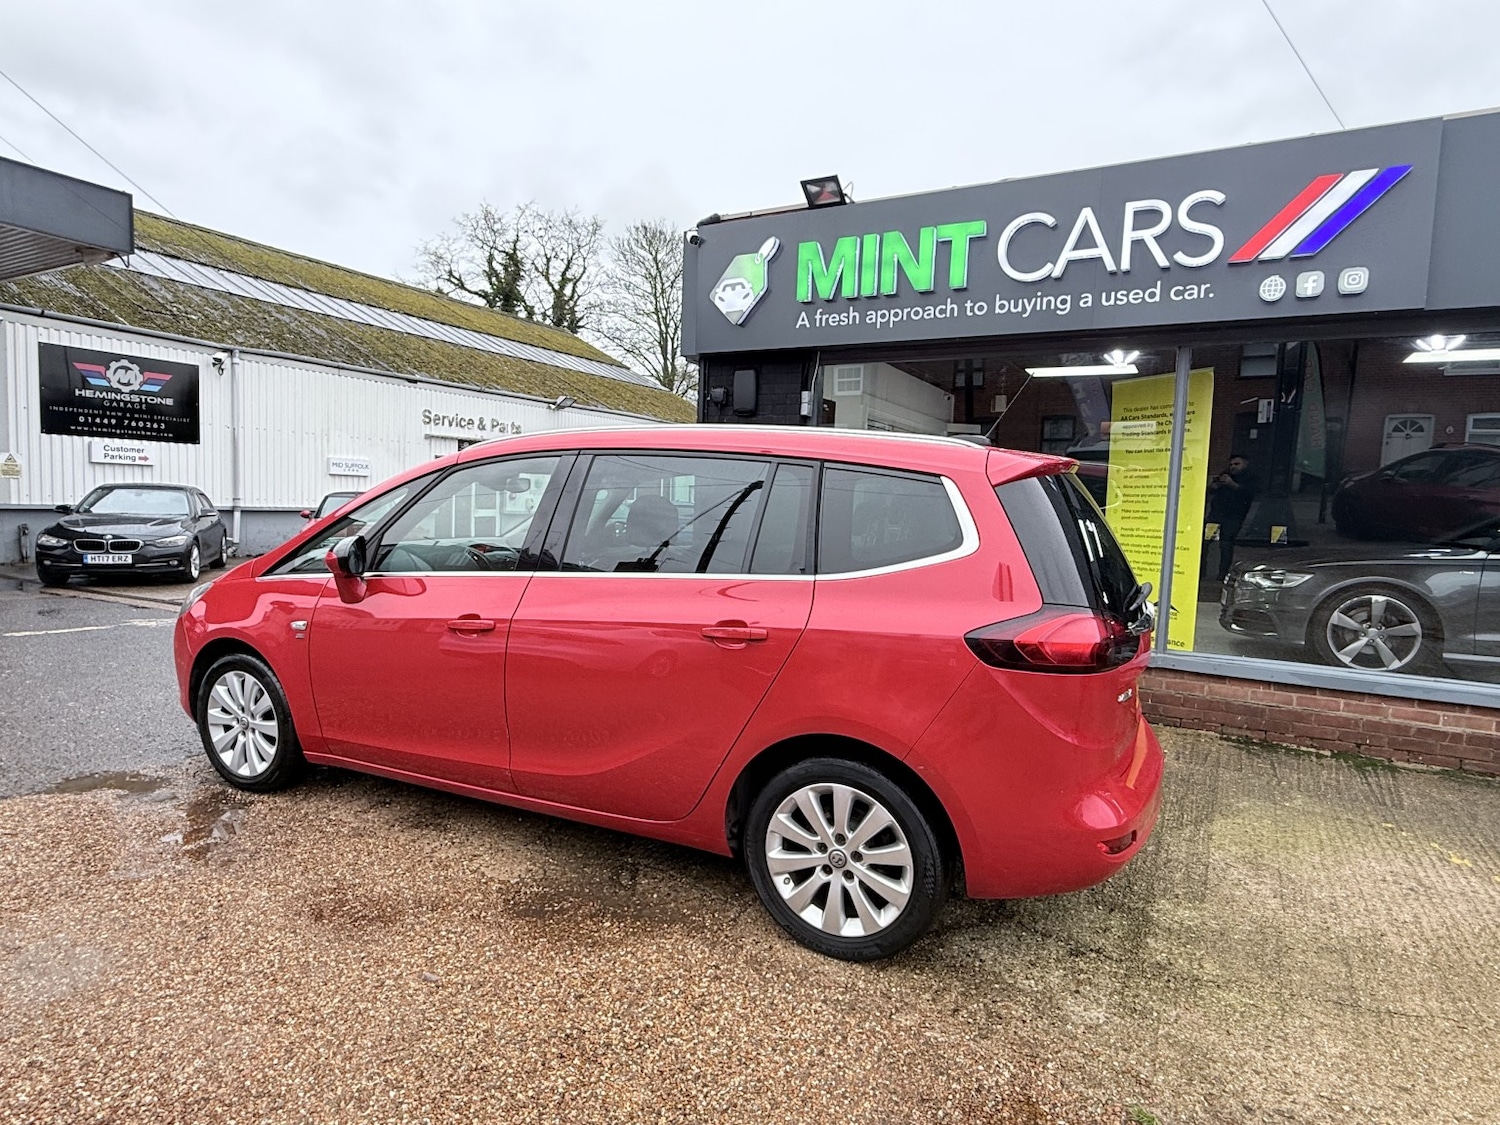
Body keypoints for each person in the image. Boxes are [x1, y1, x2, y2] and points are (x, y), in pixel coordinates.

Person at [1206, 453, 1258, 582]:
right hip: (1215, 516)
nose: (1233, 467)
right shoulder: (1225, 475)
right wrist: (1214, 486)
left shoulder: (1250, 478)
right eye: (1231, 464)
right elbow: (1210, 490)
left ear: (1245, 464)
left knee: (1226, 544)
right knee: (1205, 543)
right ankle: (1201, 572)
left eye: (1236, 464)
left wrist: (1231, 484)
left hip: (1233, 517)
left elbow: (1248, 493)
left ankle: (1222, 574)